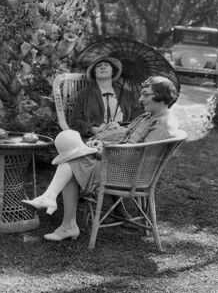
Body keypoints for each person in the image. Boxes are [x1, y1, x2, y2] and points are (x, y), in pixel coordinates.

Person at [22, 76, 179, 241]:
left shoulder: (162, 125)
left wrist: (101, 152)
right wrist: (102, 143)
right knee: (68, 139)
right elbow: (126, 138)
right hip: (117, 163)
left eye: (146, 95)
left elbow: (138, 157)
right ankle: (53, 203)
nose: (141, 99)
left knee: (70, 162)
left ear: (160, 96)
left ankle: (58, 211)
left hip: (126, 175)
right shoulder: (147, 117)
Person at [72, 56, 143, 138]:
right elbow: (74, 121)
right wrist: (92, 129)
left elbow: (138, 116)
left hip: (124, 136)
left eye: (106, 65)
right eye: (98, 66)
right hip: (96, 137)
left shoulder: (126, 94)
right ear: (94, 72)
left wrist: (122, 126)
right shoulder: (84, 94)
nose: (103, 67)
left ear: (113, 71)